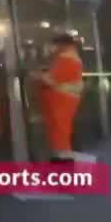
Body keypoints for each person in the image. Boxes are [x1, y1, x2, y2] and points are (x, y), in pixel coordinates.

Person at [29, 32, 84, 163]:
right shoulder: (69, 57)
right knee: (59, 129)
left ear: (61, 44)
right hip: (64, 98)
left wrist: (35, 75)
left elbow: (52, 80)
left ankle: (64, 160)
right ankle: (61, 157)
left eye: (54, 44)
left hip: (63, 99)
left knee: (60, 129)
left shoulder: (66, 58)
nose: (52, 47)